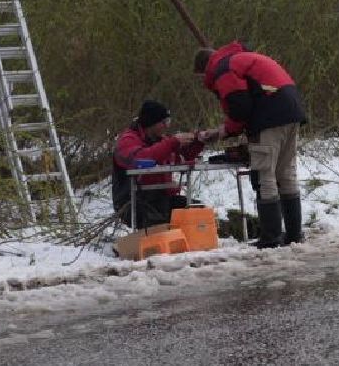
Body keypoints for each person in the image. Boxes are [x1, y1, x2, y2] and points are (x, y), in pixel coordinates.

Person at [195, 42, 307, 248]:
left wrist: (223, 131)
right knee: (286, 173)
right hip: (292, 110)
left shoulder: (224, 70)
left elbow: (240, 108)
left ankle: (271, 237)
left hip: (269, 116)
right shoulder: (242, 59)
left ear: (204, 70)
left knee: (265, 175)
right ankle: (294, 234)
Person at [110, 100, 212, 230]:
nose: (166, 126)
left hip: (161, 199)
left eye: (168, 121)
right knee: (158, 225)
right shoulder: (127, 141)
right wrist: (172, 143)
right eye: (164, 122)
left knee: (198, 213)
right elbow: (141, 158)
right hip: (133, 202)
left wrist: (198, 142)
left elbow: (180, 157)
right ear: (151, 123)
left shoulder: (160, 140)